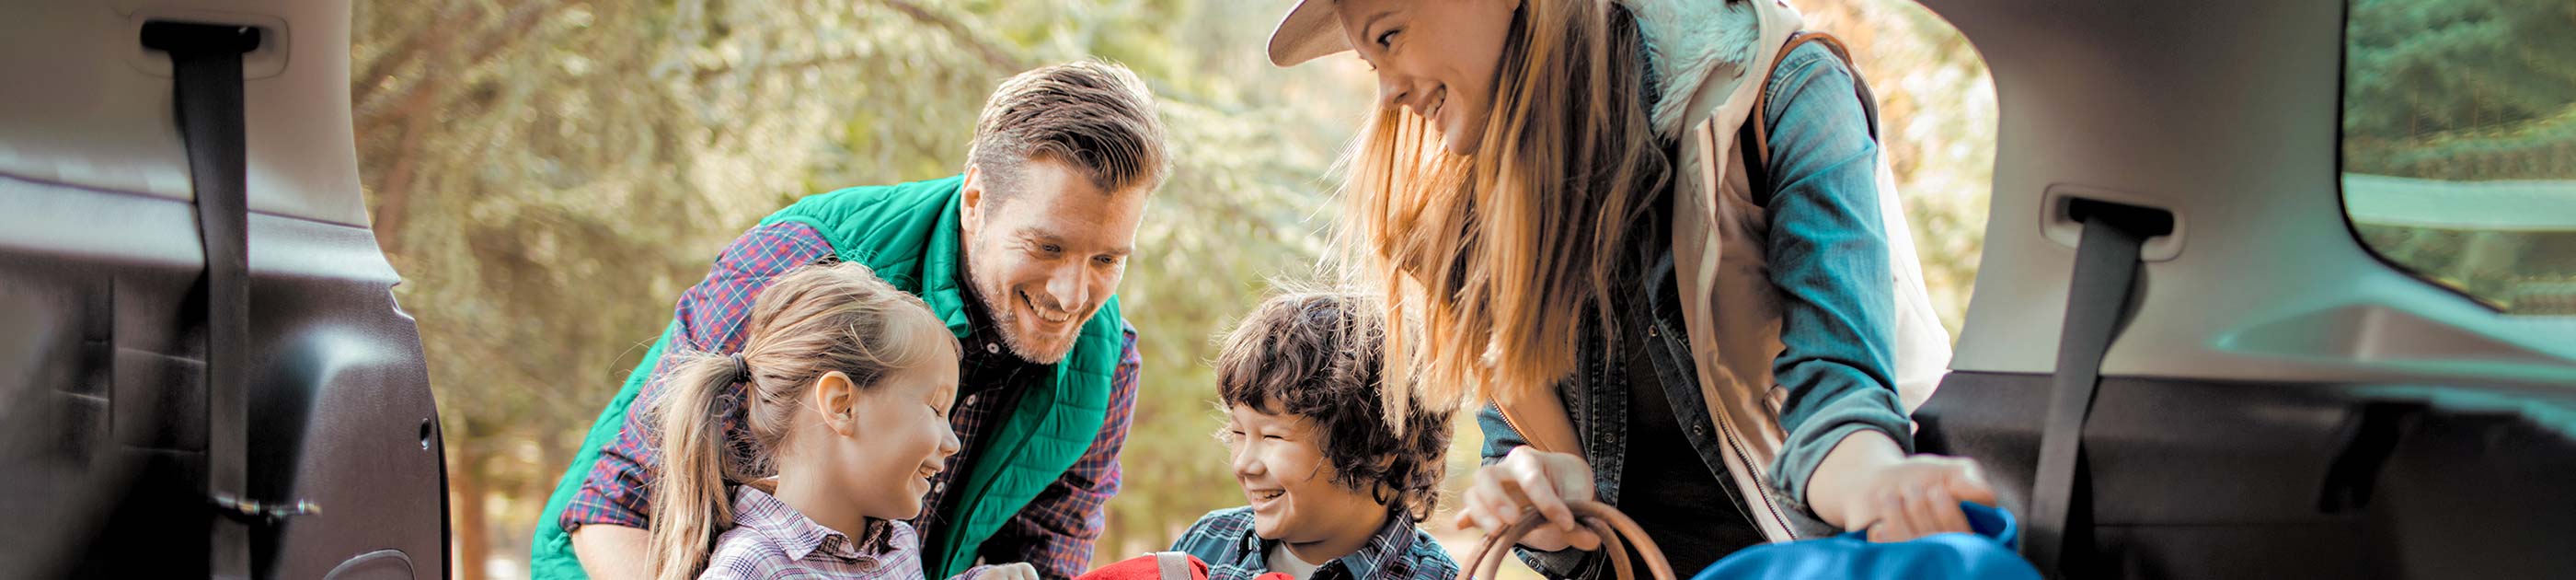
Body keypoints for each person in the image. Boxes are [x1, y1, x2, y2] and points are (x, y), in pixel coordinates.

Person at [1263, 0, 1995, 576]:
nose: (1388, 92)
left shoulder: (1784, 96)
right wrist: (1537, 491)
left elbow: (1838, 401)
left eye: (1388, 37)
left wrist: (1881, 485)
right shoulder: (1466, 228)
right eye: (1370, 65)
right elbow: (1535, 471)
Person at [531, 60, 1170, 580]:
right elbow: (617, 508)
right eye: (1047, 247)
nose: (1071, 293)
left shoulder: (1106, 365)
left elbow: (1043, 562)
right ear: (976, 199)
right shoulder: (800, 260)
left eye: (1108, 258)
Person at [644, 261, 1038, 580]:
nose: (952, 441)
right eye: (935, 408)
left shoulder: (895, 544)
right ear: (842, 404)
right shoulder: (753, 568)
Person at [1169, 291, 1459, 580]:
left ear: (1377, 448)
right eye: (1238, 432)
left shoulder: (1438, 576)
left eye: (1272, 437)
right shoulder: (1205, 545)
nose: (1243, 465)